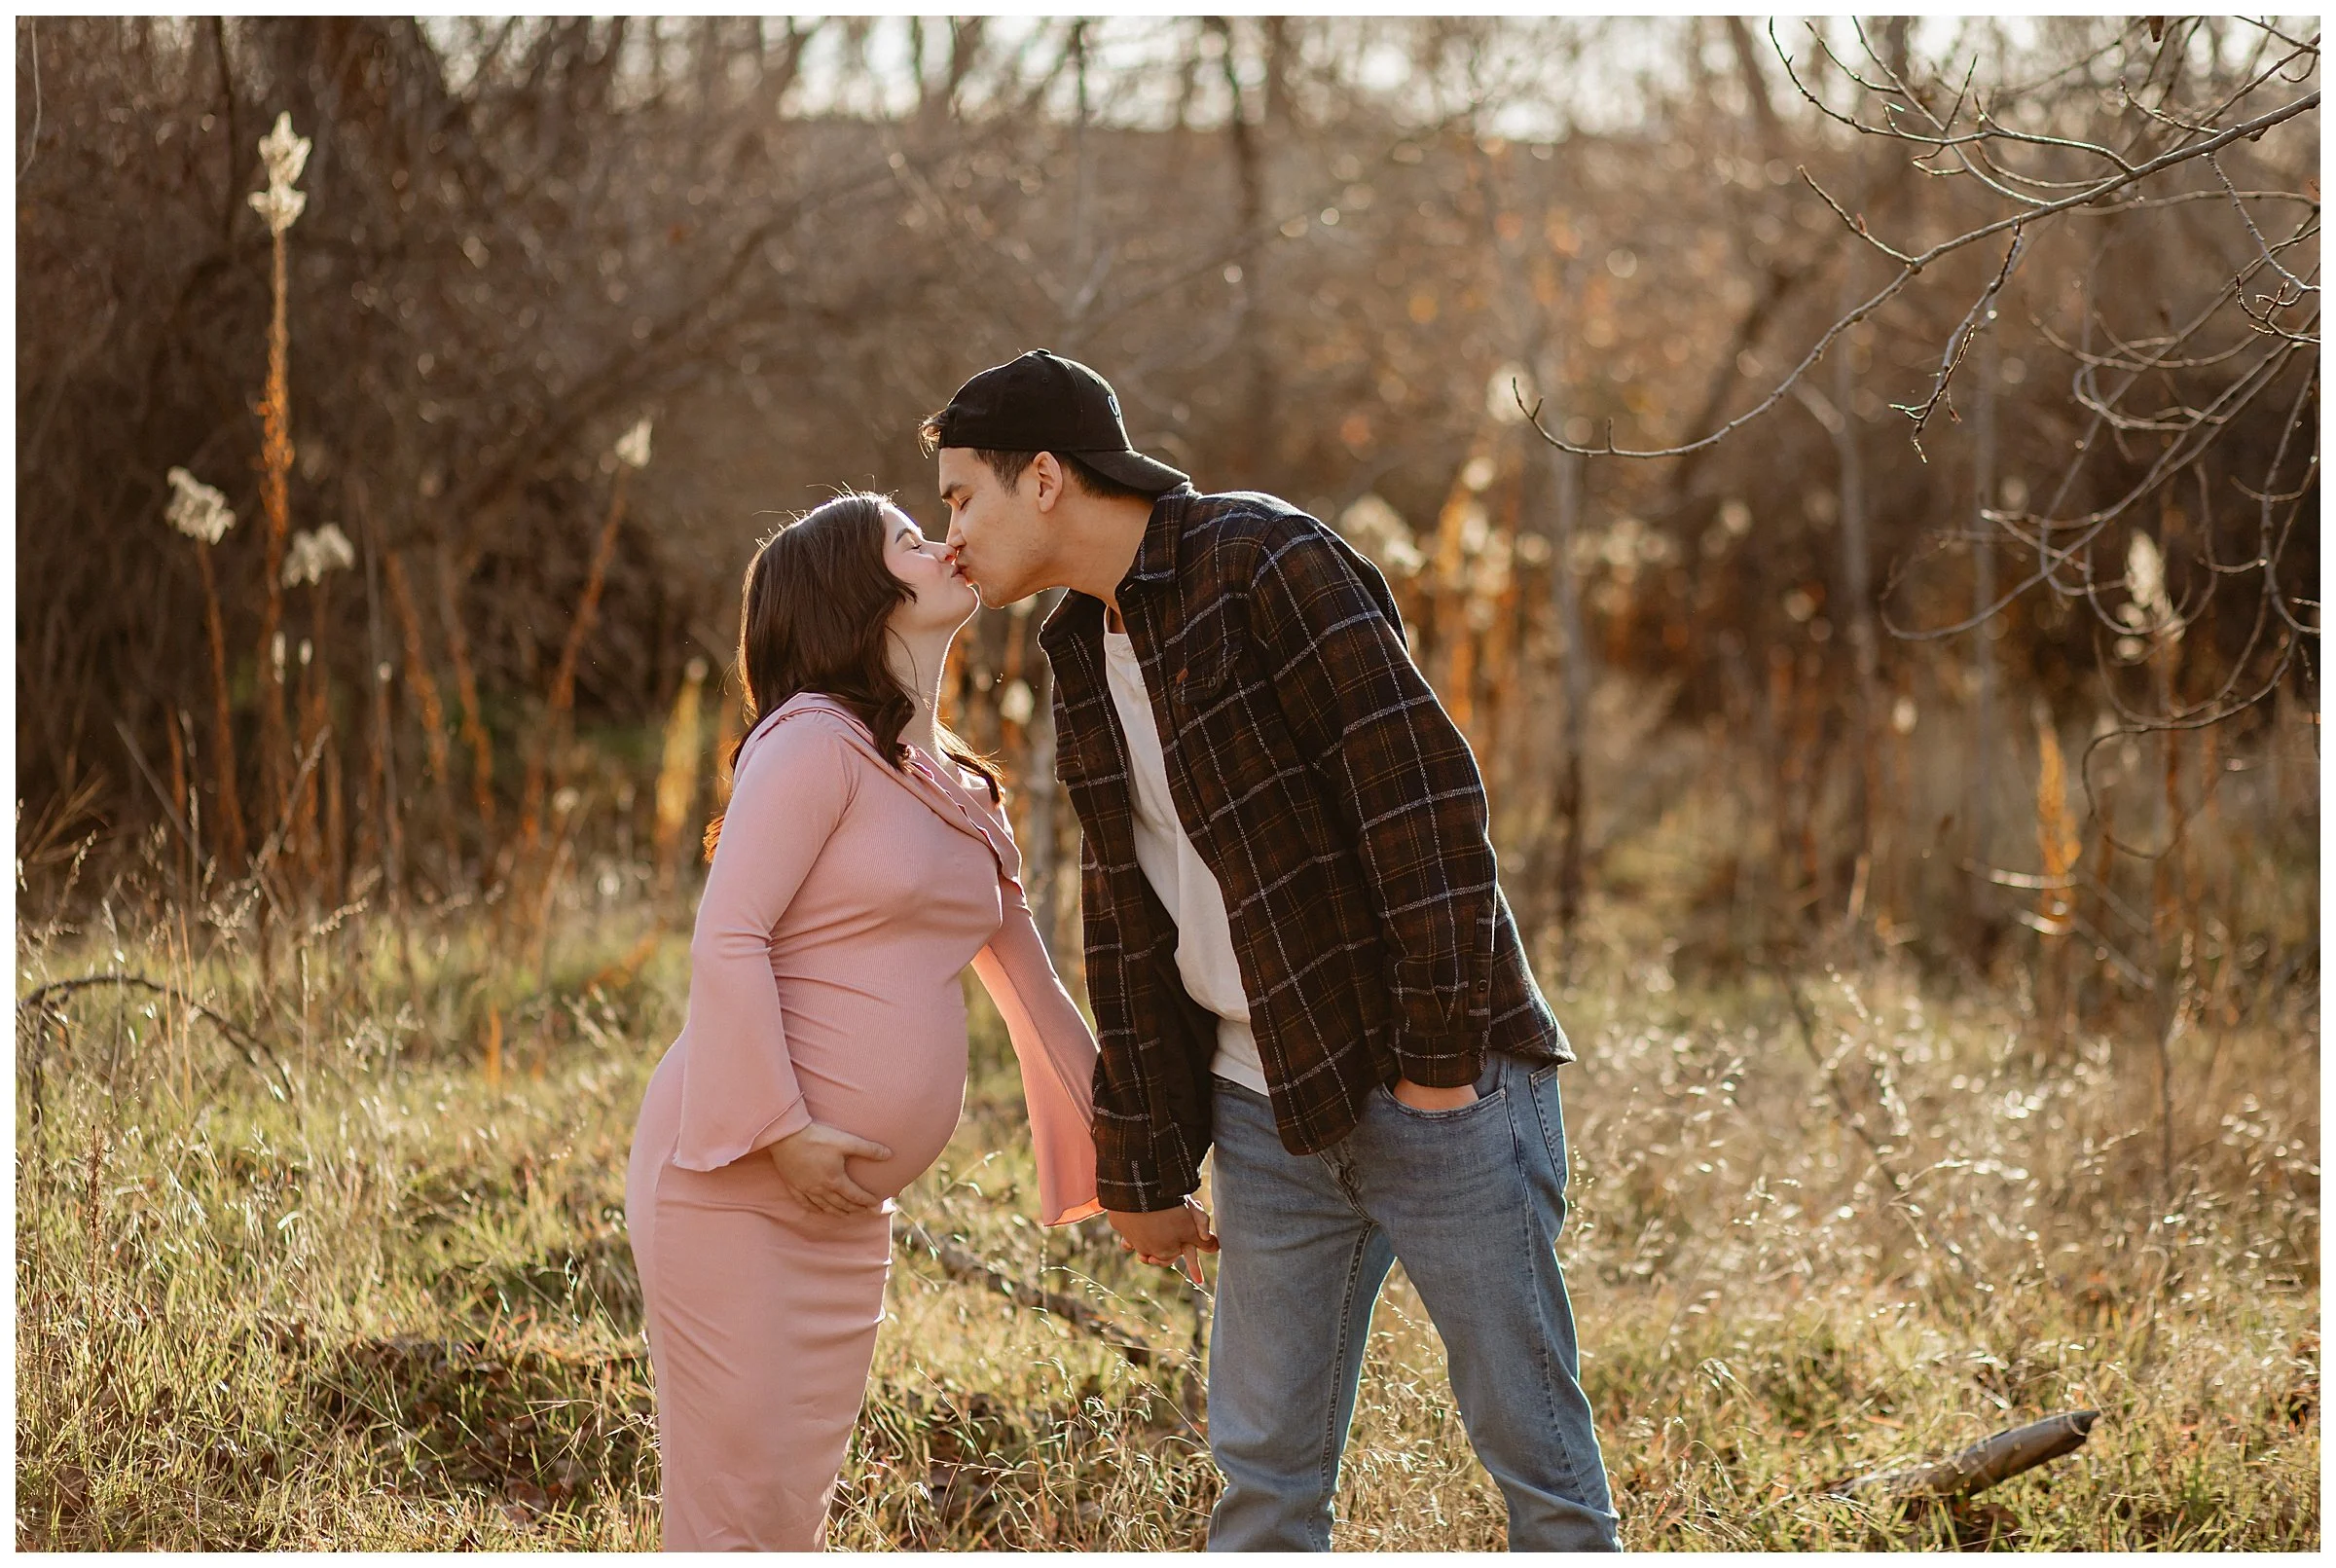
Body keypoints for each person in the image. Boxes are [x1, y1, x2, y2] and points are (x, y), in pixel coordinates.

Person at [923, 351, 1620, 1550]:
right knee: (1263, 1480)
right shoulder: (1077, 651)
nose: (949, 534)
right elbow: (1131, 920)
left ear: (1044, 478)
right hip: (1264, 1106)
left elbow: (1426, 803)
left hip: (1434, 1088)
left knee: (1536, 1464)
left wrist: (1438, 1072)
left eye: (958, 498)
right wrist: (1139, 1167)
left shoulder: (1263, 562)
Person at [623, 492, 1104, 1550]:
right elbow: (728, 936)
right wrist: (786, 1132)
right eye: (908, 539)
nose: (942, 544)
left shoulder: (957, 787)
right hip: (736, 1186)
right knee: (734, 1510)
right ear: (860, 591)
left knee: (791, 1510)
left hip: (842, 1216)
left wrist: (1139, 1157)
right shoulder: (811, 744)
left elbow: (1031, 987)